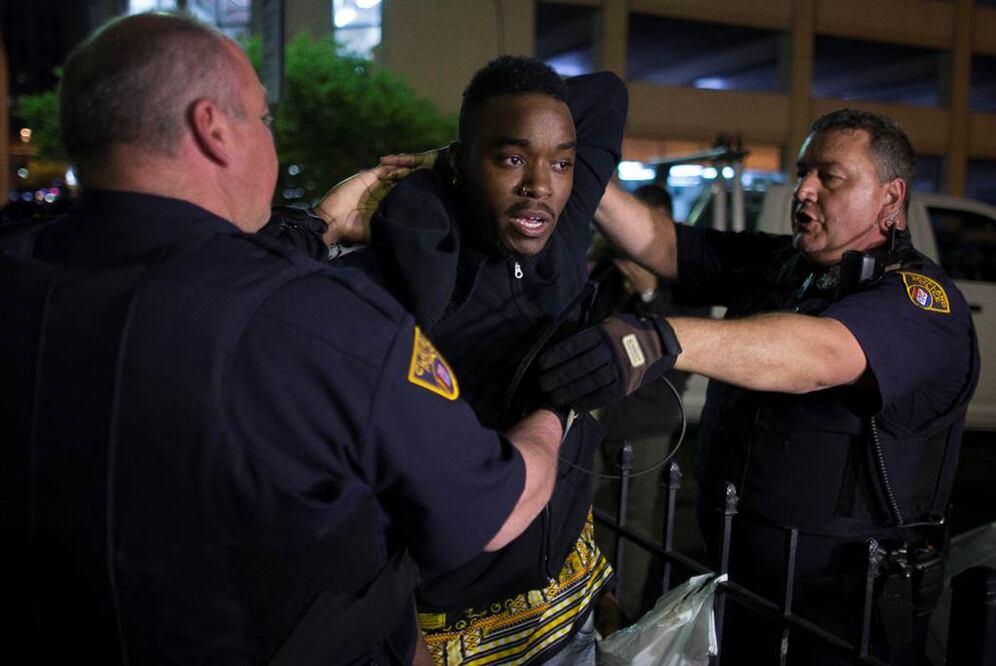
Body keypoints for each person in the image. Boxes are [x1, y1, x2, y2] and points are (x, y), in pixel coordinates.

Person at [0, 14, 569, 665]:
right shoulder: (324, 323)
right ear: (213, 128)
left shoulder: (22, 270)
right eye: (263, 119)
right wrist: (554, 409)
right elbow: (493, 509)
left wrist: (317, 223)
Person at [539, 109, 979, 664]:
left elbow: (818, 355)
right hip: (741, 589)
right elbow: (665, 244)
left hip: (840, 618)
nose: (804, 190)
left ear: (891, 197)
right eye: (802, 173)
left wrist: (656, 339)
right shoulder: (787, 263)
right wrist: (572, 170)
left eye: (829, 177)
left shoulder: (921, 302)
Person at [327, 57, 626, 664]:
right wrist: (322, 224)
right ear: (464, 165)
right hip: (453, 637)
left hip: (569, 612)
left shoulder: (563, 230)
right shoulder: (396, 277)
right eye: (511, 159)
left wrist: (455, 151)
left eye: (561, 163)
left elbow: (605, 94)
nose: (540, 185)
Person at [587, 184, 691, 623]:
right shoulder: (609, 271)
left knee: (636, 520)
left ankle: (622, 611)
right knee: (584, 509)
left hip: (649, 417)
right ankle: (585, 600)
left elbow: (683, 345)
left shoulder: (683, 274)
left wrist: (649, 294)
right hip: (599, 412)